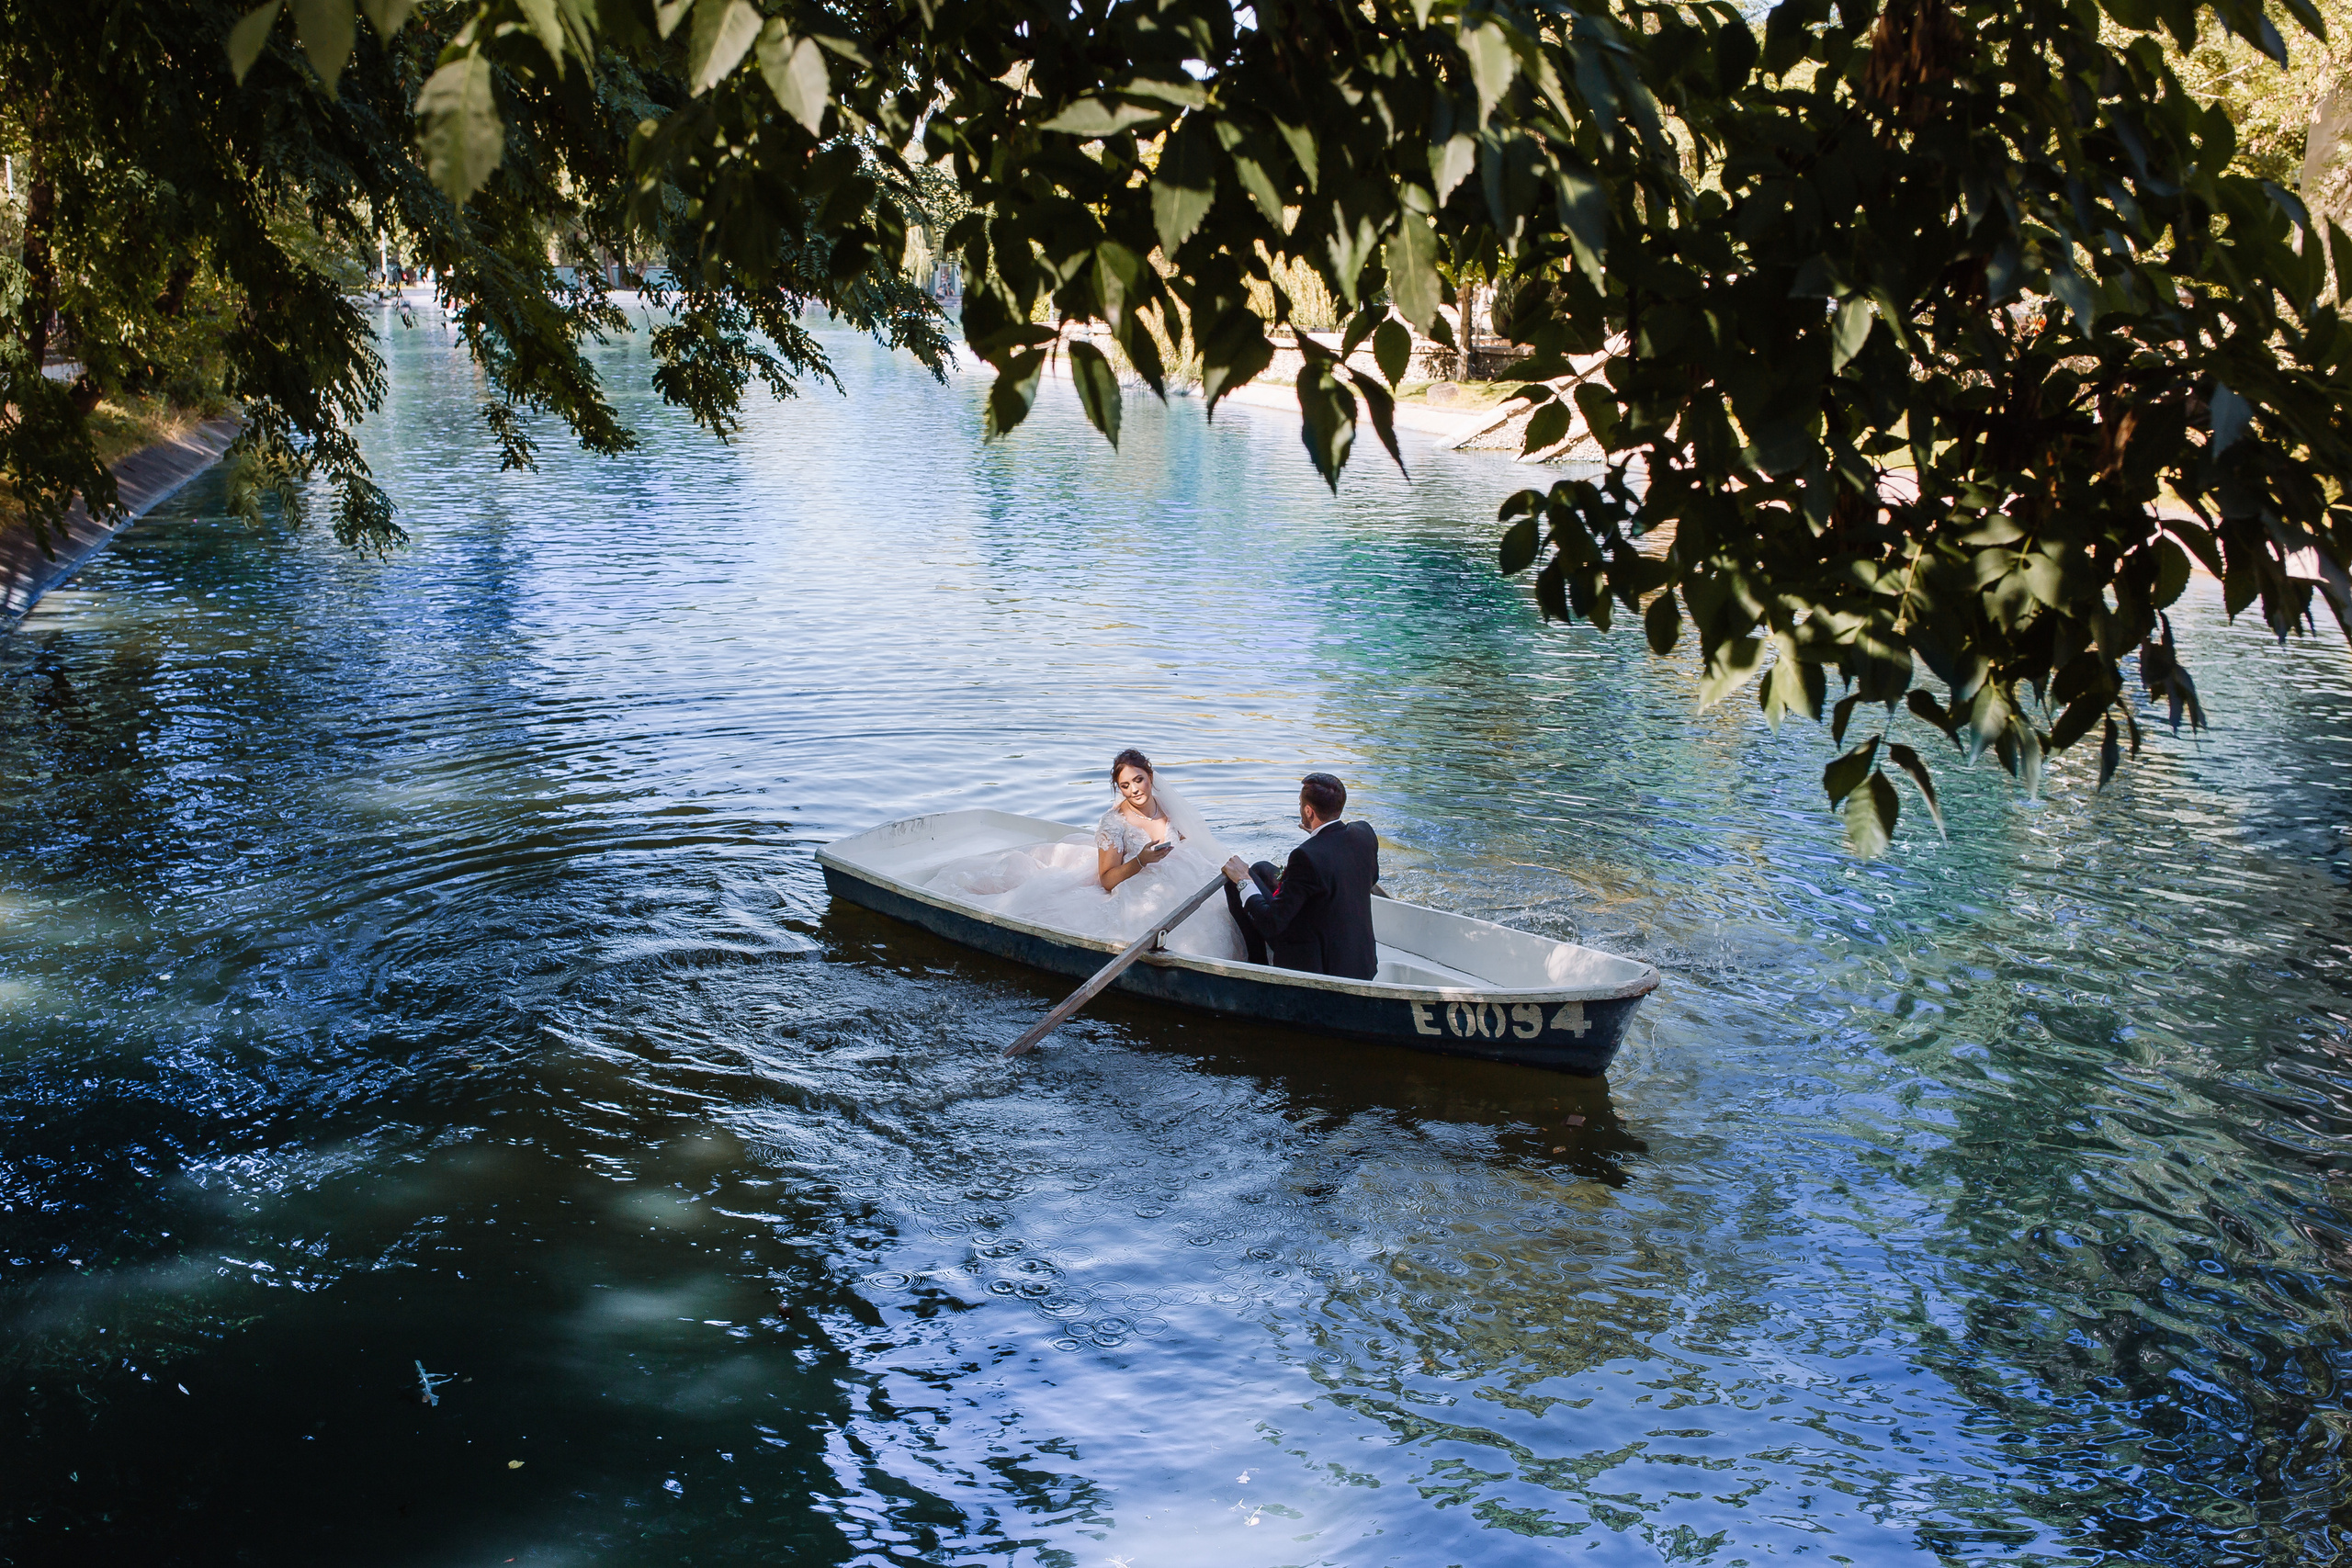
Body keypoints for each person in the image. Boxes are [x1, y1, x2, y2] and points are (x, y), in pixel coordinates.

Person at [922, 749, 1246, 960]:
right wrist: (1141, 861)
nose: (1134, 790)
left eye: (1138, 780)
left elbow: (1190, 842)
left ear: (1150, 776)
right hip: (1136, 885)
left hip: (1183, 879)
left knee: (1225, 906)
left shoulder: (1168, 808)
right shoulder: (1114, 823)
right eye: (1125, 785)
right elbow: (1106, 880)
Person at [1223, 773, 1381, 979]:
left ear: (1308, 811)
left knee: (1236, 884)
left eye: (1300, 804)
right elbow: (1372, 878)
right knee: (1261, 869)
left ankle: (1258, 968)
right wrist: (1318, 834)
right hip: (1361, 962)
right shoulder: (1364, 833)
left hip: (1321, 969)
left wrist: (1243, 880)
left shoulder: (1305, 856)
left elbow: (1272, 924)